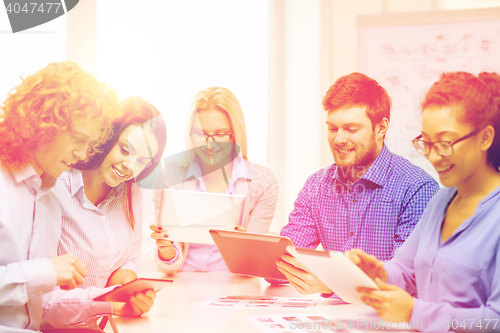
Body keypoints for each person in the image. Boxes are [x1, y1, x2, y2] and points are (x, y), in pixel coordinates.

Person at [350, 72, 500, 331]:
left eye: (444, 143)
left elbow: (495, 319)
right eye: (426, 142)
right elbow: (406, 270)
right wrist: (379, 274)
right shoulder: (441, 201)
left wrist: (414, 311)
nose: (433, 156)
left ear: (485, 138)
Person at [276, 72, 439, 295]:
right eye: (332, 128)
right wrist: (263, 253)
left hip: (391, 322)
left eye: (351, 129)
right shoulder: (316, 185)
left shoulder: (417, 188)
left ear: (381, 128)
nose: (339, 139)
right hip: (334, 318)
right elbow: (286, 260)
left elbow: (411, 277)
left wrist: (333, 282)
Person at [0, 61, 119, 332]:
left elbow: (39, 305)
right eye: (77, 138)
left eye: (89, 144)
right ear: (42, 123)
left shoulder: (49, 203)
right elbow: (39, 276)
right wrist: (45, 272)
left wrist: (108, 300)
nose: (83, 154)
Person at [42, 97, 167, 327]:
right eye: (124, 149)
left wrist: (129, 291)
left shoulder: (133, 190)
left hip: (99, 326)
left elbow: (128, 259)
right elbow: (41, 300)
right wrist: (110, 302)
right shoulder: (55, 187)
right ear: (106, 136)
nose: (130, 166)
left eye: (142, 161)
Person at [149, 87, 279, 273]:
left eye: (219, 134)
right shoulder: (167, 177)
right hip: (183, 284)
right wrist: (166, 247)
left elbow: (252, 264)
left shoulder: (263, 182)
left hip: (236, 285)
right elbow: (169, 259)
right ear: (190, 135)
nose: (209, 145)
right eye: (201, 134)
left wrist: (246, 247)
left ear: (235, 134)